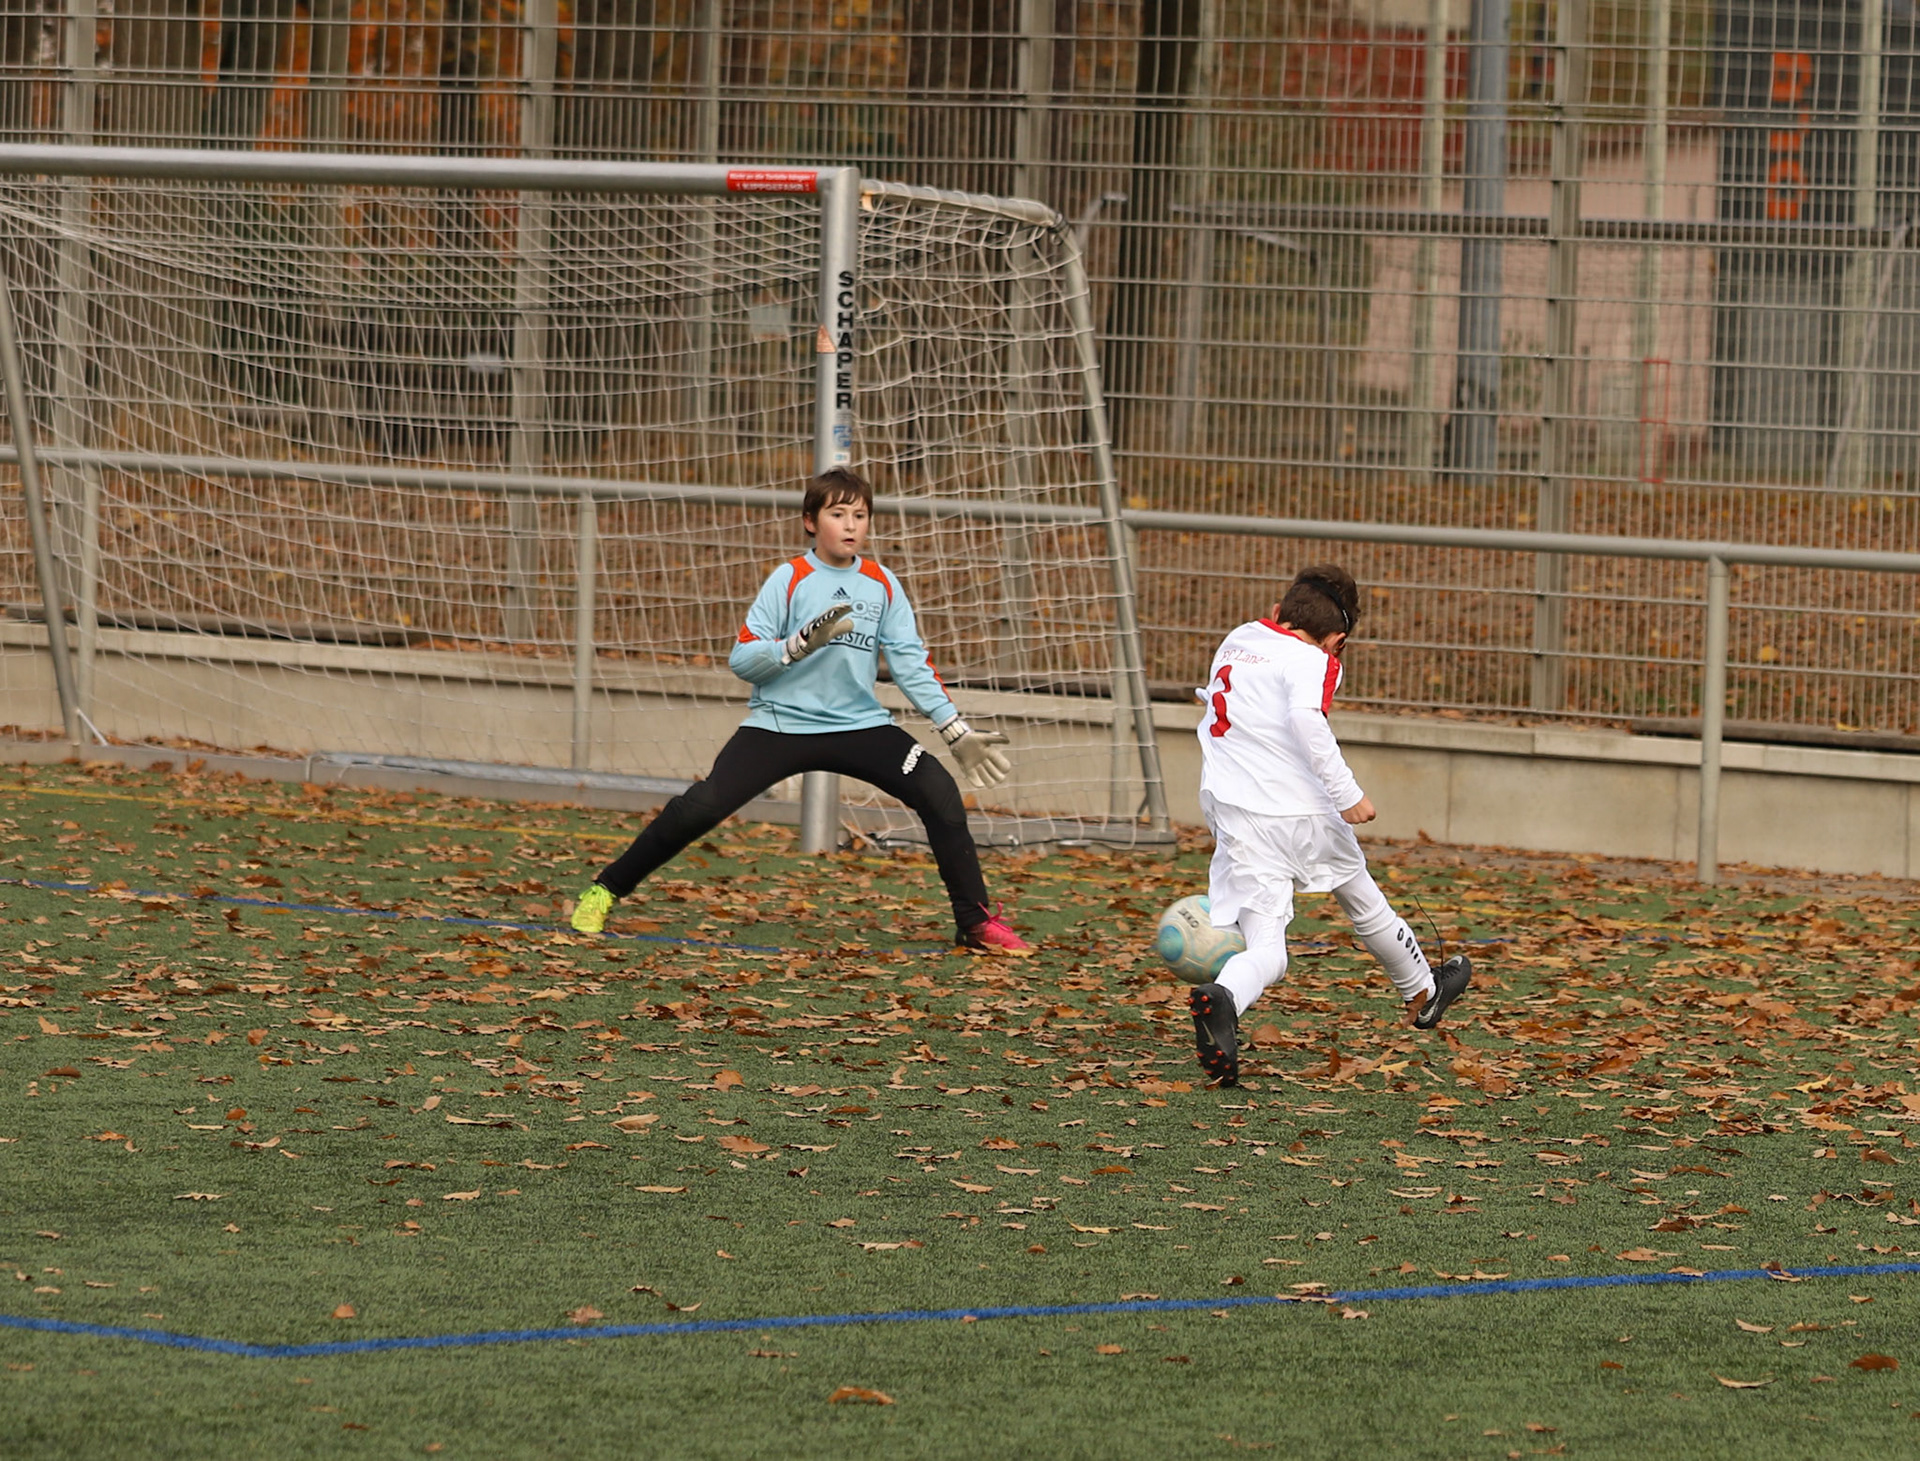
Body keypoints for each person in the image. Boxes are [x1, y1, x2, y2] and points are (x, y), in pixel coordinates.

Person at [569, 467, 1030, 953]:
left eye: (860, 515)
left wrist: (953, 729)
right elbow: (742, 659)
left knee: (939, 792)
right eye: (838, 514)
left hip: (859, 726)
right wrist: (794, 647)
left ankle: (974, 923)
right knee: (700, 807)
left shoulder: (882, 583)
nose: (850, 525)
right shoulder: (789, 578)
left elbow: (912, 664)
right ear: (811, 522)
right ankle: (605, 889)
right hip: (780, 725)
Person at [1187, 564, 1471, 1085]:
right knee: (1361, 896)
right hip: (1300, 810)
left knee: (1267, 946)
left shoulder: (1238, 639)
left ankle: (1225, 996)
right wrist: (1348, 795)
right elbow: (1305, 720)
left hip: (1234, 811)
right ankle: (1424, 991)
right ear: (1337, 641)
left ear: (1277, 612)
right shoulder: (1317, 660)